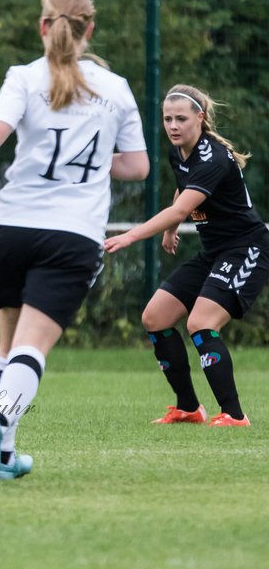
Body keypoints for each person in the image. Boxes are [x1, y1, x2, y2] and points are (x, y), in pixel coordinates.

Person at [0, 0, 149, 483]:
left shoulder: (24, 77)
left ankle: (2, 455)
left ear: (43, 25)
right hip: (71, 234)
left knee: (8, 342)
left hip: (11, 226)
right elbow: (138, 167)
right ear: (90, 29)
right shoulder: (115, 87)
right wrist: (97, 164)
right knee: (31, 349)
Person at [104, 85, 263, 427]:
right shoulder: (180, 152)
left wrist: (133, 234)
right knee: (155, 318)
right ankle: (189, 408)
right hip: (214, 252)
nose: (173, 125)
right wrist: (171, 229)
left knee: (200, 323)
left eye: (181, 118)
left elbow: (181, 208)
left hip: (246, 248)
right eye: (167, 119)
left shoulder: (214, 157)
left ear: (200, 118)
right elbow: (184, 191)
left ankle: (235, 416)